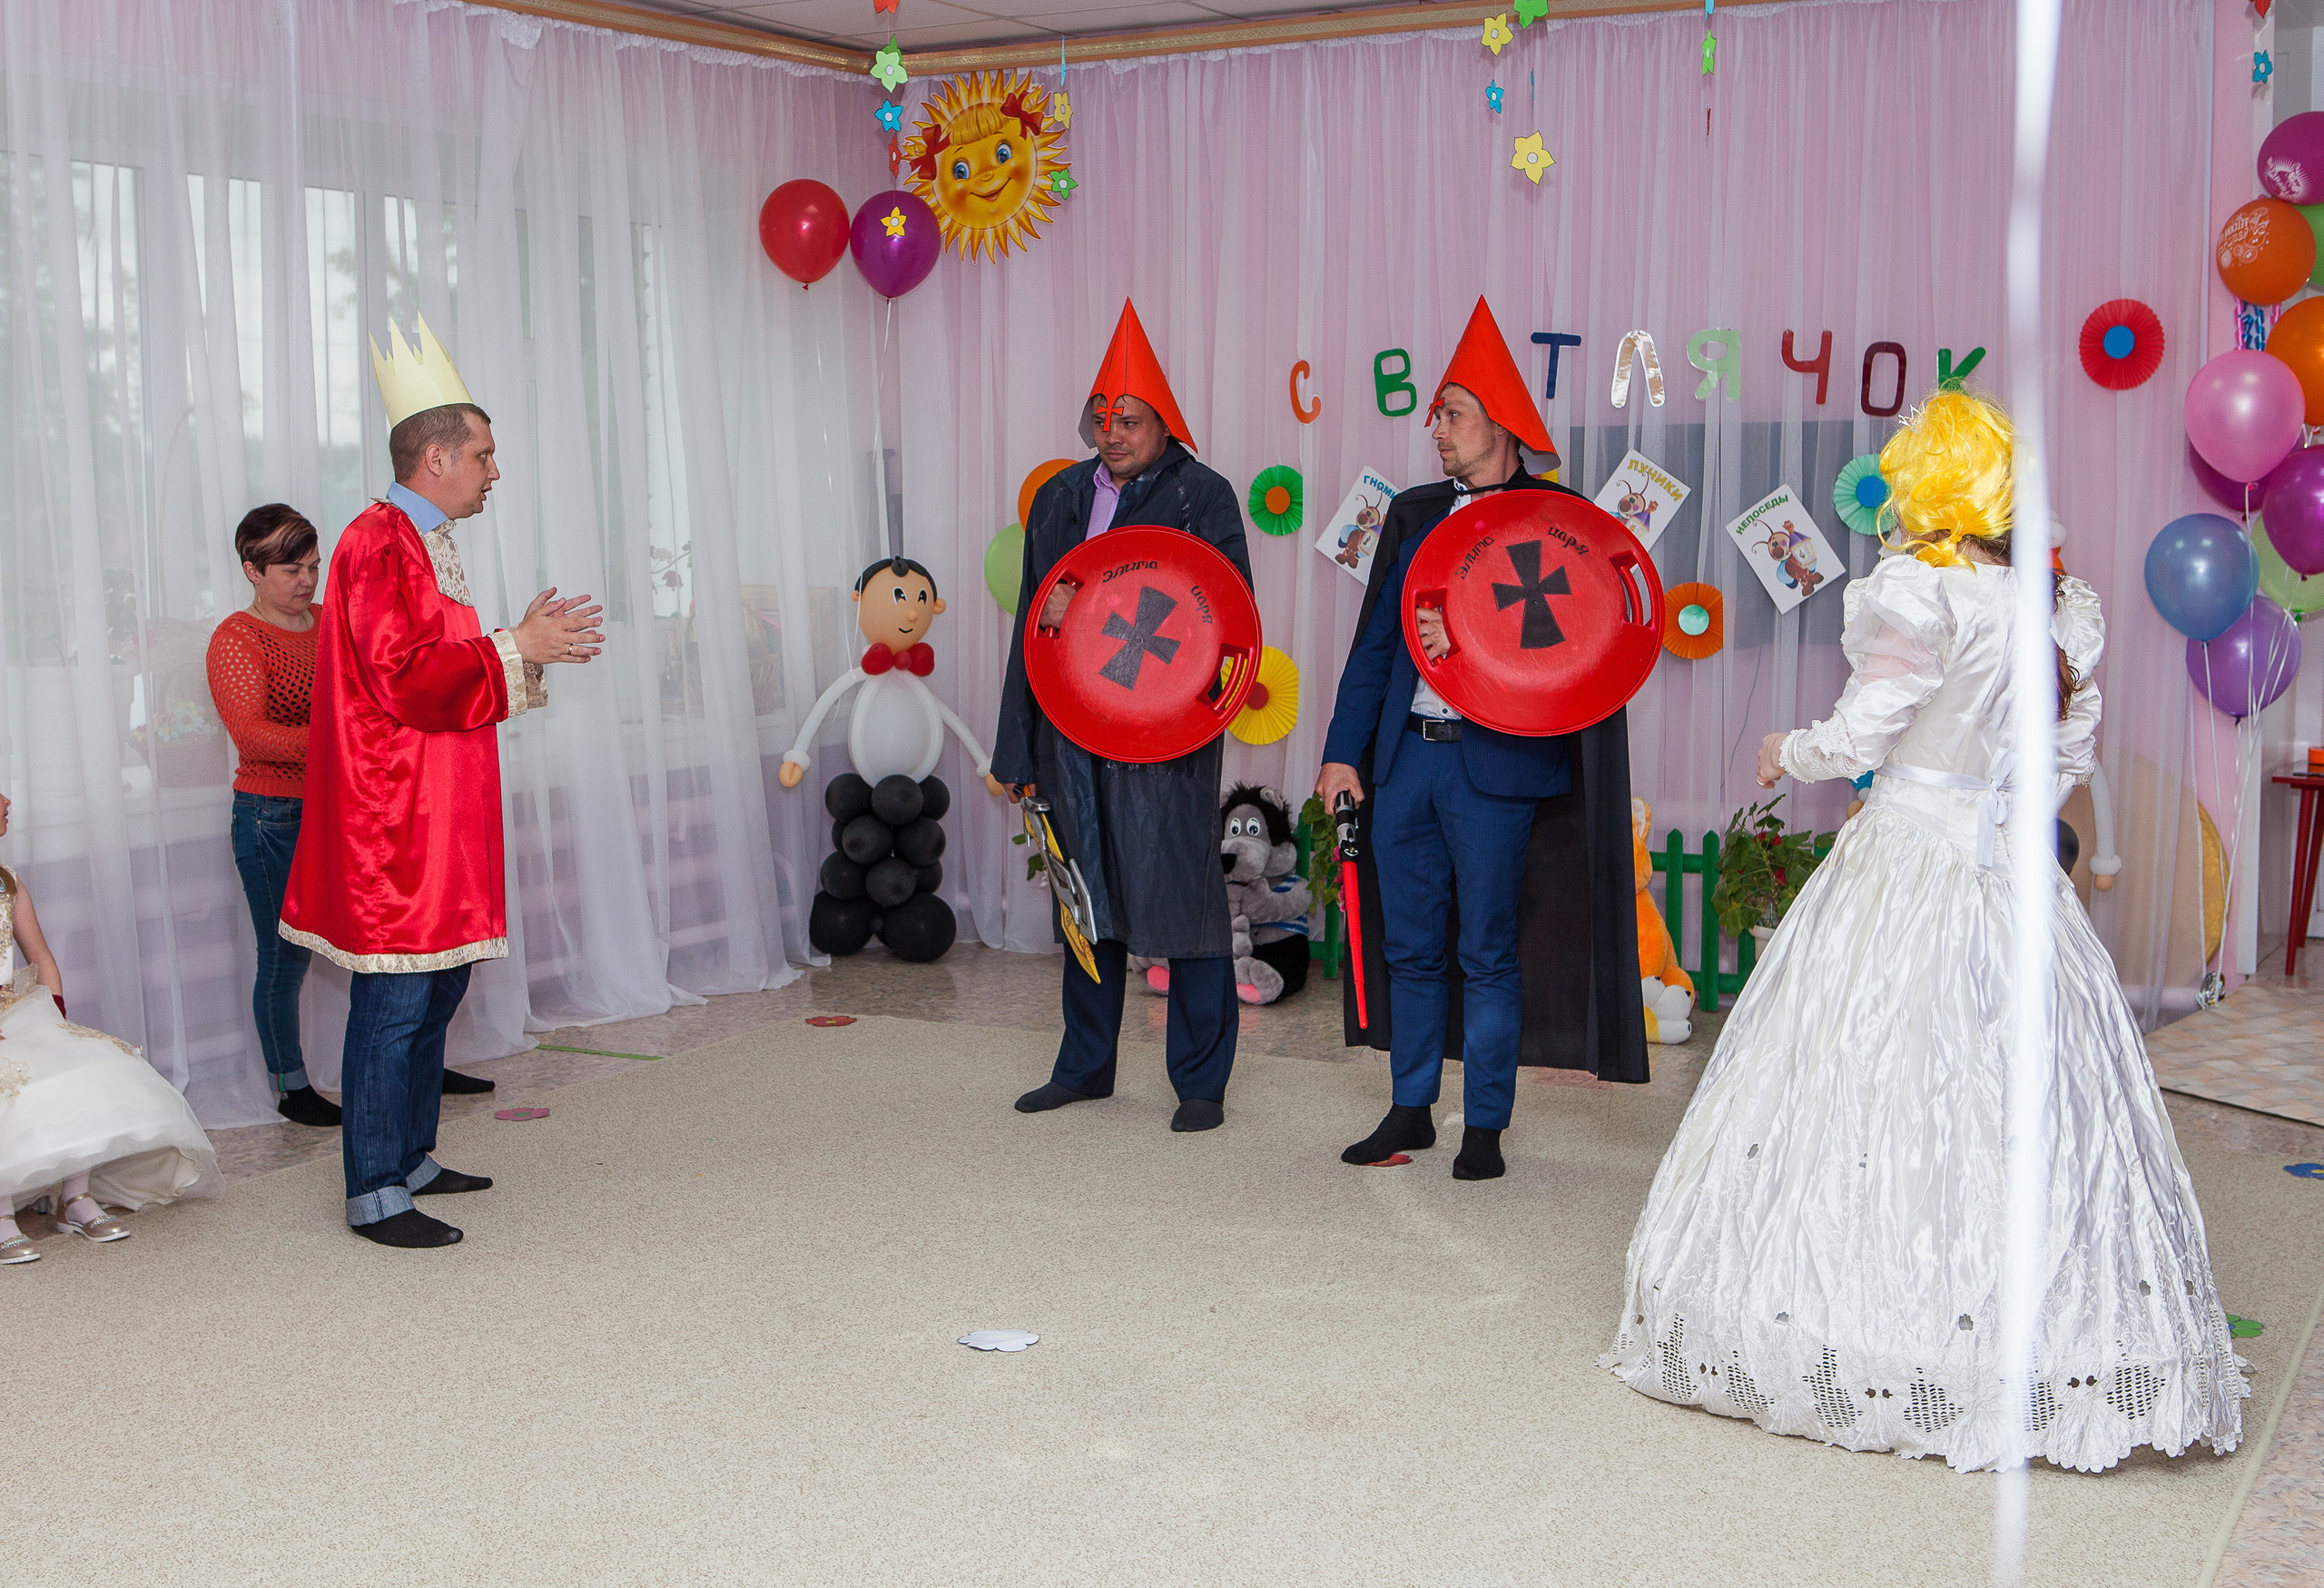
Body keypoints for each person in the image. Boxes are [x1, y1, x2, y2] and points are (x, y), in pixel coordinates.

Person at [1602, 390, 2248, 1471]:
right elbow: (2064, 757)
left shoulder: (1920, 592)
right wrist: (1997, 813)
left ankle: (1864, 1328)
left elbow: (1865, 732)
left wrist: (1788, 751)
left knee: (1868, 1070)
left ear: (1930, 488)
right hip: (2008, 871)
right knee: (2007, 1088)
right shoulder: (2054, 609)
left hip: (1906, 856)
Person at [279, 316, 602, 1249]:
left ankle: (410, 1153)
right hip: (397, 822)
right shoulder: (376, 542)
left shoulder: (423, 539)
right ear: (436, 458)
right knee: (394, 1002)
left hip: (438, 808)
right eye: (484, 455)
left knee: (439, 990)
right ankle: (373, 1188)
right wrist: (515, 645)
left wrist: (517, 646)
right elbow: (403, 679)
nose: (495, 472)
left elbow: (440, 665)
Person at [1315, 298, 1645, 1182]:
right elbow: (1374, 648)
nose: (1436, 428)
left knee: (1488, 952)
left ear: (1501, 426)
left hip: (1494, 769)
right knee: (1408, 948)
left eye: (1453, 413)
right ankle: (1410, 1108)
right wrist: (1342, 752)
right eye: (1435, 413)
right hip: (1407, 762)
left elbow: (1579, 648)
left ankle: (1486, 1125)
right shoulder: (1413, 513)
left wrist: (1483, 642)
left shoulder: (1556, 520)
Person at [993, 300, 1252, 1133]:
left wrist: (1200, 712)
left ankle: (1201, 1083)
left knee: (1186, 900)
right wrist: (1016, 750)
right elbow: (1031, 629)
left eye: (1129, 419)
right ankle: (1084, 1068)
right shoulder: (1060, 497)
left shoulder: (1202, 496)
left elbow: (1226, 616)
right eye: (1102, 417)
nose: (1112, 432)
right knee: (1085, 898)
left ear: (1163, 423)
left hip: (1164, 732)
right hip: (1071, 728)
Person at [208, 504, 499, 1130]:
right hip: (274, 815)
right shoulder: (237, 638)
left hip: (347, 806)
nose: (307, 581)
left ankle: (418, 1062)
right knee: (283, 956)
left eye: (314, 567)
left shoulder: (328, 621)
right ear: (252, 570)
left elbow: (381, 690)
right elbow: (253, 736)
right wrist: (347, 738)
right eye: (291, 570)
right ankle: (291, 1084)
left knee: (390, 945)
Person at [1, 794, 219, 1265]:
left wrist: (54, 1018)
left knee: (88, 1062)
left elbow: (40, 957)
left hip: (15, 1011)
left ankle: (74, 1199)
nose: (7, 799)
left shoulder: (8, 882)